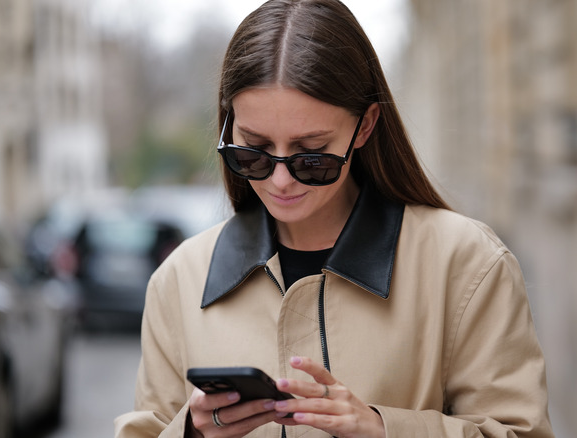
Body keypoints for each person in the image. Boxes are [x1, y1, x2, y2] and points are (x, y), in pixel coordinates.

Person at [114, 0, 554, 437]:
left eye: (311, 154)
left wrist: (384, 430)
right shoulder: (179, 280)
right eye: (254, 150)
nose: (281, 180)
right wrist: (189, 433)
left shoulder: (467, 264)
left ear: (365, 126)